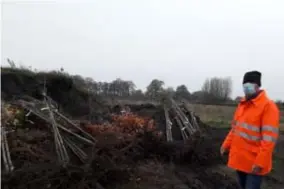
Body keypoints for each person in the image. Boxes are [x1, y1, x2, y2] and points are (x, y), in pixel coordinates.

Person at [220, 71, 280, 189]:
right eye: (245, 84)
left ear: (258, 86)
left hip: (254, 163)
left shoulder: (268, 107)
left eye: (251, 83)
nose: (247, 86)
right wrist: (226, 145)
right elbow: (235, 129)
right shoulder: (242, 104)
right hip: (240, 159)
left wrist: (260, 162)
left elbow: (269, 140)